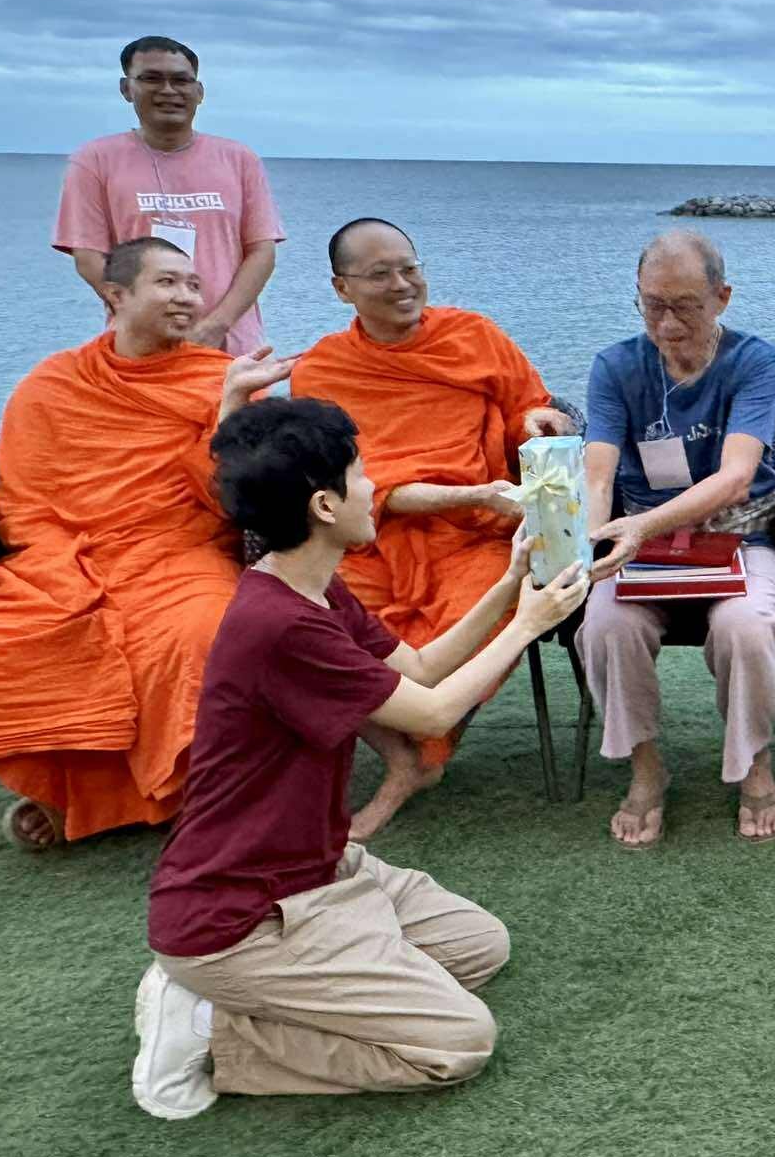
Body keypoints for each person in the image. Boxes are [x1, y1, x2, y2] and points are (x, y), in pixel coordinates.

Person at [132, 396, 587, 1120]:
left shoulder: (312, 588)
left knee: (479, 948)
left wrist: (509, 587)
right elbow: (432, 715)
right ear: (324, 504)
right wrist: (527, 626)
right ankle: (213, 1030)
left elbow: (423, 669)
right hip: (241, 914)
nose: (375, 487)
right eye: (361, 473)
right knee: (460, 1042)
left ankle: (326, 966)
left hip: (321, 869)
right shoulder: (279, 625)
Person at [0, 237, 291, 847]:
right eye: (167, 283)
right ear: (116, 294)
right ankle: (74, 792)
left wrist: (229, 409)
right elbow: (24, 504)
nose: (187, 297)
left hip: (181, 551)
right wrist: (67, 562)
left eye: (194, 285)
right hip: (64, 559)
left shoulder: (224, 379)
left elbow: (236, 501)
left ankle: (198, 794)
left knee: (201, 633)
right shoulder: (51, 385)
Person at [288, 218, 572, 838]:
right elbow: (345, 481)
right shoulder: (322, 370)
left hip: (475, 535)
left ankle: (423, 750)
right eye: (380, 274)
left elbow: (526, 408)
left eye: (410, 268)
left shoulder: (474, 335)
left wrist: (535, 423)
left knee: (477, 619)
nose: (401, 284)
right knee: (311, 631)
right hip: (370, 539)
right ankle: (403, 758)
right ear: (342, 289)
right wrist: (470, 492)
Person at [579, 230, 775, 848]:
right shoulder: (615, 366)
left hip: (741, 535)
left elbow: (737, 477)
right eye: (652, 306)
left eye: (685, 307)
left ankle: (755, 764)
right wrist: (590, 544)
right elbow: (598, 472)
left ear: (722, 298)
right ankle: (646, 768)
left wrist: (642, 525)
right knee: (605, 624)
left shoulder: (754, 360)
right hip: (641, 544)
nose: (667, 325)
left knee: (746, 626)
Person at [54, 36, 286, 356]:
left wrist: (216, 325)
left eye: (181, 80)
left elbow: (261, 252)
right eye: (151, 79)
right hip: (141, 345)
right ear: (126, 88)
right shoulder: (94, 161)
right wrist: (150, 321)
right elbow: (89, 257)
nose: (168, 90)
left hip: (230, 345)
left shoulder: (239, 159)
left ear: (199, 92)